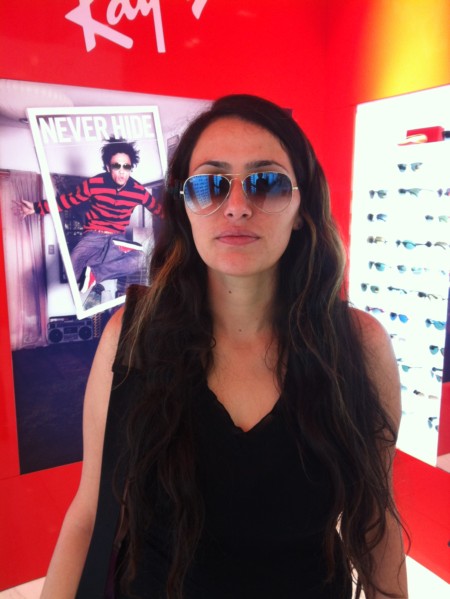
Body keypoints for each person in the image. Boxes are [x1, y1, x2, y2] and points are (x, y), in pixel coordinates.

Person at [40, 95, 408, 599]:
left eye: (266, 182)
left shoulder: (359, 346)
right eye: (210, 185)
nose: (236, 206)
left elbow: (375, 520)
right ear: (185, 207)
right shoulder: (132, 336)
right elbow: (90, 515)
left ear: (302, 210)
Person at [21, 138, 162, 295]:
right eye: (116, 166)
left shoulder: (138, 190)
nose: (122, 171)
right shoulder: (94, 183)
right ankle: (98, 269)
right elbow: (68, 200)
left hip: (116, 238)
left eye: (126, 166)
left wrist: (178, 215)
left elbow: (158, 209)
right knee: (71, 273)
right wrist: (36, 208)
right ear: (108, 167)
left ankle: (98, 272)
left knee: (140, 259)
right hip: (93, 236)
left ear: (131, 168)